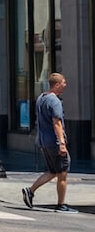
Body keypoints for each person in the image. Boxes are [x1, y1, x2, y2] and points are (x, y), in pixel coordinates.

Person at [23, 73, 74, 212]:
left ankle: (30, 190)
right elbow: (57, 123)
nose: (65, 85)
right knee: (62, 173)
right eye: (63, 82)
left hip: (43, 142)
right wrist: (62, 144)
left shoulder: (41, 98)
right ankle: (61, 204)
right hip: (54, 143)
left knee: (52, 171)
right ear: (57, 84)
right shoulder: (55, 101)